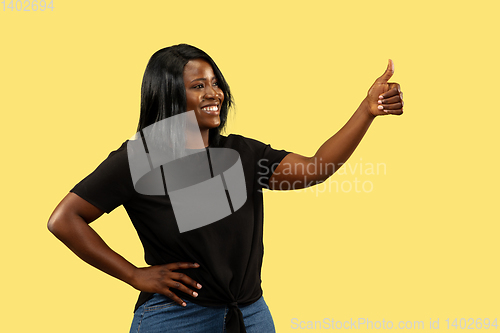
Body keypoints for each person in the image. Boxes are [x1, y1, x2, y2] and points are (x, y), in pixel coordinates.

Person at [47, 44, 404, 333]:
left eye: (215, 82)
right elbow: (64, 219)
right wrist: (133, 275)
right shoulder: (140, 159)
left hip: (250, 315)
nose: (213, 93)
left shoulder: (241, 154)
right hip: (178, 318)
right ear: (169, 95)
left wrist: (366, 111)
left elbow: (315, 169)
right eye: (198, 85)